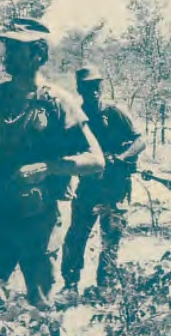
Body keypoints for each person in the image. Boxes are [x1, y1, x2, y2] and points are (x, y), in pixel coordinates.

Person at [0, 17, 104, 336]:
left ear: (38, 53)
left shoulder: (58, 101)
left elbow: (96, 160)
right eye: (6, 47)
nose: (7, 55)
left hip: (38, 219)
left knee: (41, 299)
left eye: (17, 48)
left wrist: (50, 168)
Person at [59, 65, 146, 301]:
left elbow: (139, 141)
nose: (93, 92)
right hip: (88, 186)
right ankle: (70, 285)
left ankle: (104, 287)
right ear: (79, 89)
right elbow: (66, 149)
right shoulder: (77, 117)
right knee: (76, 235)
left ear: (102, 87)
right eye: (87, 87)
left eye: (96, 86)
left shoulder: (115, 112)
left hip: (116, 187)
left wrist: (120, 158)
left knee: (111, 237)